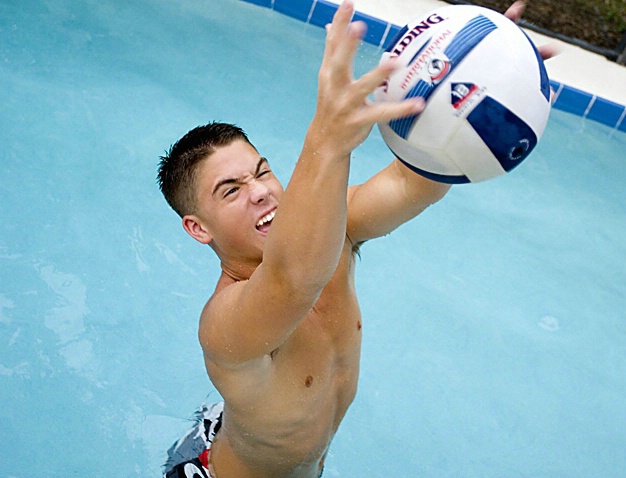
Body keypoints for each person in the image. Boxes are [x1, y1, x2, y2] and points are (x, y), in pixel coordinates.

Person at [157, 1, 553, 477]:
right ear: (198, 228)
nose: (261, 192)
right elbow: (293, 279)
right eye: (231, 191)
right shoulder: (224, 324)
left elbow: (415, 184)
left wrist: (473, 88)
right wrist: (327, 137)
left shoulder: (334, 229)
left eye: (262, 172)